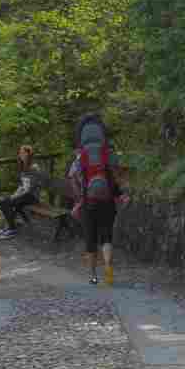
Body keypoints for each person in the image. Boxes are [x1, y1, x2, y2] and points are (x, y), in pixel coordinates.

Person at [68, 114, 128, 286]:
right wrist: (121, 193)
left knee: (90, 239)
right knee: (106, 236)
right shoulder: (107, 153)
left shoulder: (81, 156)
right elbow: (117, 175)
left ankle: (94, 276)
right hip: (107, 200)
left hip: (88, 201)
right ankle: (108, 265)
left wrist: (79, 198)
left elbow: (72, 177)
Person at [0, 145, 41, 239]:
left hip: (32, 197)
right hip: (24, 195)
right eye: (20, 152)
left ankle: (12, 229)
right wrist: (15, 194)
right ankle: (11, 225)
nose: (20, 154)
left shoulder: (34, 167)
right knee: (3, 201)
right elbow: (21, 186)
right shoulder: (23, 166)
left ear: (29, 154)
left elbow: (29, 188)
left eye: (23, 152)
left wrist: (15, 196)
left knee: (5, 202)